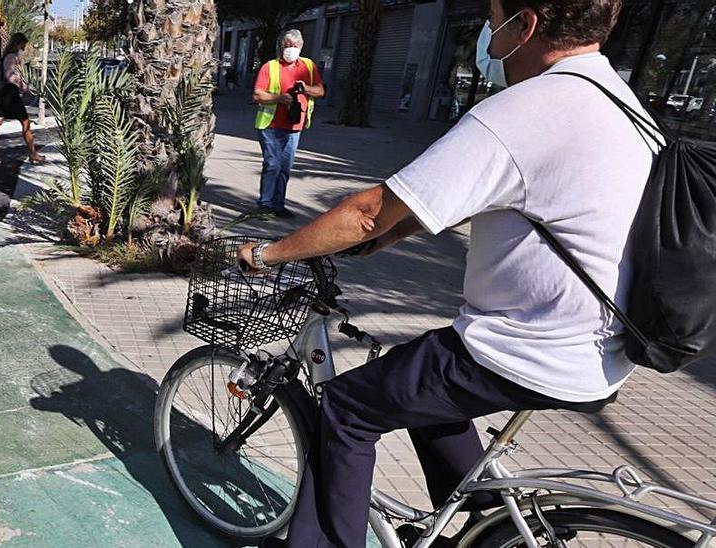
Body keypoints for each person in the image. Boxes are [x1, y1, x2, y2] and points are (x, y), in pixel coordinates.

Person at [239, 0, 658, 544]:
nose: (487, 31)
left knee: (346, 407)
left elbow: (366, 212)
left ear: (525, 25)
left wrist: (269, 254)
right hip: (604, 348)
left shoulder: (523, 109)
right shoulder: (622, 102)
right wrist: (396, 234)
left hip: (528, 348)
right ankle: (489, 521)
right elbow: (484, 194)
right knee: (415, 380)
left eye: (494, 16)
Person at [251, 29, 324, 218]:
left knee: (284, 167)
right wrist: (279, 98)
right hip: (270, 125)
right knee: (272, 165)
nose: (290, 49)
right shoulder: (270, 67)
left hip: (294, 127)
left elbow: (320, 91)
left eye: (294, 46)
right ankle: (265, 204)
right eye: (287, 46)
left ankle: (278, 204)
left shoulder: (308, 66)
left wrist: (306, 89)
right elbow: (257, 95)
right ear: (281, 47)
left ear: (301, 47)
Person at [0, 33, 44, 166]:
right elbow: (10, 76)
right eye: (23, 44)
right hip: (10, 94)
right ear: (18, 43)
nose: (24, 46)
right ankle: (33, 154)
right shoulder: (12, 57)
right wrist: (25, 87)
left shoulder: (7, 56)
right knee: (26, 123)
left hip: (2, 94)